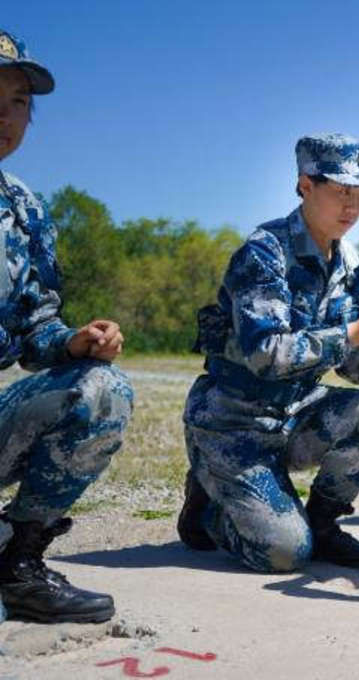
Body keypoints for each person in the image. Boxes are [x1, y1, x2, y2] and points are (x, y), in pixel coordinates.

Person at [179, 133, 359, 573]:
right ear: (306, 185)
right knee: (283, 553)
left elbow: (356, 368)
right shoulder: (265, 252)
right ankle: (208, 506)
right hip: (234, 421)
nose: (353, 206)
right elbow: (267, 353)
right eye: (341, 191)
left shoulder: (356, 268)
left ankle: (323, 525)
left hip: (295, 414)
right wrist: (353, 333)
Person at [0, 29, 133, 624]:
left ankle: (18, 563)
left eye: (18, 102)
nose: (5, 115)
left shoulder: (25, 210)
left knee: (103, 388)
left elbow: (36, 328)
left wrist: (75, 340)